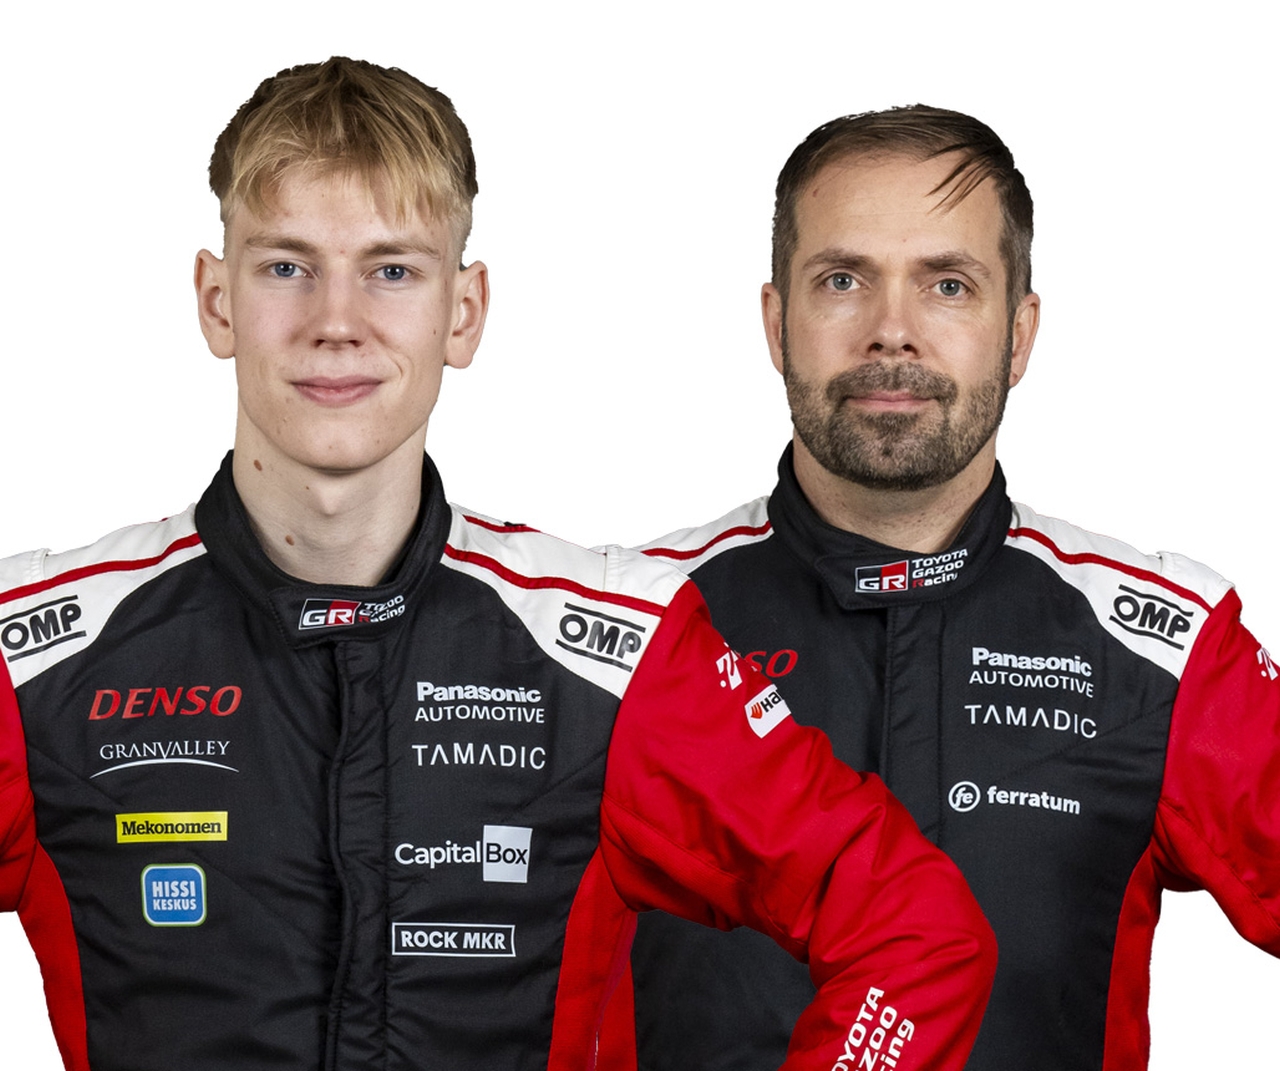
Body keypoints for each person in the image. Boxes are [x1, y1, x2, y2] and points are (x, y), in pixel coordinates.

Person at [0, 62, 995, 1071]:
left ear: (463, 311)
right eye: (287, 267)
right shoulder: (32, 657)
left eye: (392, 270)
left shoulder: (616, 656)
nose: (335, 320)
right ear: (217, 301)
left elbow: (913, 929)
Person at [619, 106, 1280, 1071]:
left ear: (1019, 335)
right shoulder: (624, 632)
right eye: (843, 280)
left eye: (948, 285)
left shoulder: (1168, 654)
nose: (892, 332)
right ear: (776, 323)